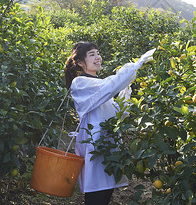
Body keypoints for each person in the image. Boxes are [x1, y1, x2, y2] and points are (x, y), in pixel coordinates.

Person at [64, 41, 155, 205]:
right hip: (95, 148)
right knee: (95, 197)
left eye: (98, 53)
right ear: (79, 62)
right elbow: (109, 86)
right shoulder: (80, 83)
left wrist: (125, 92)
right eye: (92, 54)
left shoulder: (99, 85)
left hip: (108, 149)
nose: (98, 57)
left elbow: (117, 114)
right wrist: (133, 66)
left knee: (105, 195)